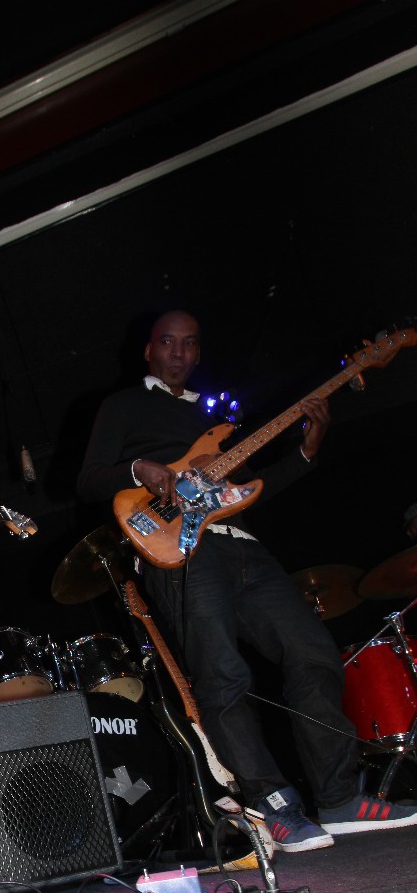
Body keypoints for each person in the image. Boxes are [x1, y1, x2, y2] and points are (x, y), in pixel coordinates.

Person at [77, 308, 417, 853]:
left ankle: (339, 798)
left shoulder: (215, 420)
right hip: (179, 551)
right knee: (222, 675)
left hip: (243, 547)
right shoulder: (123, 406)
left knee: (314, 653)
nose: (179, 352)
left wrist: (307, 449)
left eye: (190, 343)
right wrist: (141, 469)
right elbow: (88, 479)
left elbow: (249, 488)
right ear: (148, 349)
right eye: (168, 342)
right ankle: (273, 804)